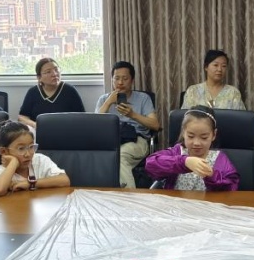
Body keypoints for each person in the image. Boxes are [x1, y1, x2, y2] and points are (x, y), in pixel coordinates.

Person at [96, 61, 161, 189]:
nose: (120, 82)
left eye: (125, 78)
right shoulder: (104, 99)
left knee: (119, 156)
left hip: (137, 139)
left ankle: (129, 196)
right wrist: (108, 103)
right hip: (111, 140)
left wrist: (133, 115)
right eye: (116, 78)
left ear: (132, 80)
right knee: (96, 156)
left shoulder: (143, 98)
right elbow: (94, 124)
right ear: (112, 79)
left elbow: (155, 125)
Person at [146, 106, 239, 191]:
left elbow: (232, 186)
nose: (196, 143)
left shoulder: (219, 158)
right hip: (176, 202)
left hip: (205, 203)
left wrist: (212, 176)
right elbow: (150, 164)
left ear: (214, 135)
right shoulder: (177, 152)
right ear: (183, 133)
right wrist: (184, 162)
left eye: (204, 137)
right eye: (191, 136)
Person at [0, 120, 69, 196]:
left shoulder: (39, 160)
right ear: (4, 151)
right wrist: (13, 163)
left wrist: (30, 183)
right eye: (21, 148)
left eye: (31, 147)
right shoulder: (3, 170)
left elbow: (65, 180)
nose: (28, 154)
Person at [18, 57, 85, 128]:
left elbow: (82, 117)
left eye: (56, 70)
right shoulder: (33, 92)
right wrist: (35, 125)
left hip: (65, 131)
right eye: (48, 72)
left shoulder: (69, 90)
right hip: (39, 131)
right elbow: (22, 117)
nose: (54, 74)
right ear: (39, 77)